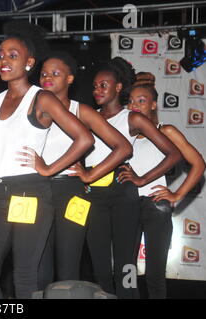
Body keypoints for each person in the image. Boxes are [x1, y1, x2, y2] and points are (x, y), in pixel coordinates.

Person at [0, 27, 94, 299]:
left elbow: (84, 138)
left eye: (12, 55)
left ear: (29, 63)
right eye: (0, 55)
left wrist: (48, 168)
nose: (3, 61)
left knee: (24, 275)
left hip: (29, 193)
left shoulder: (41, 98)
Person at [72, 57, 181, 298]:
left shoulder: (132, 118)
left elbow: (173, 154)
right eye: (94, 86)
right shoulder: (88, 117)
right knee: (100, 267)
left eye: (103, 85)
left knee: (126, 266)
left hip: (122, 195)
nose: (97, 90)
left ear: (118, 87)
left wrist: (142, 179)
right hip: (94, 196)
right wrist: (79, 169)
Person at [38, 52, 133, 283]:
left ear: (70, 79)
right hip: (37, 189)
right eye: (43, 74)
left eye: (55, 73)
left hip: (72, 193)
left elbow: (123, 147)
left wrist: (90, 174)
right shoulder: (31, 110)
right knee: (38, 265)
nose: (47, 77)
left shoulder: (82, 111)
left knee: (69, 264)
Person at [118, 73, 205, 298]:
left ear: (154, 104)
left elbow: (198, 164)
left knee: (154, 273)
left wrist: (176, 194)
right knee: (126, 269)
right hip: (126, 205)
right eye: (130, 101)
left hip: (155, 205)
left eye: (141, 101)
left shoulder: (166, 131)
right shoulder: (125, 135)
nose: (134, 106)